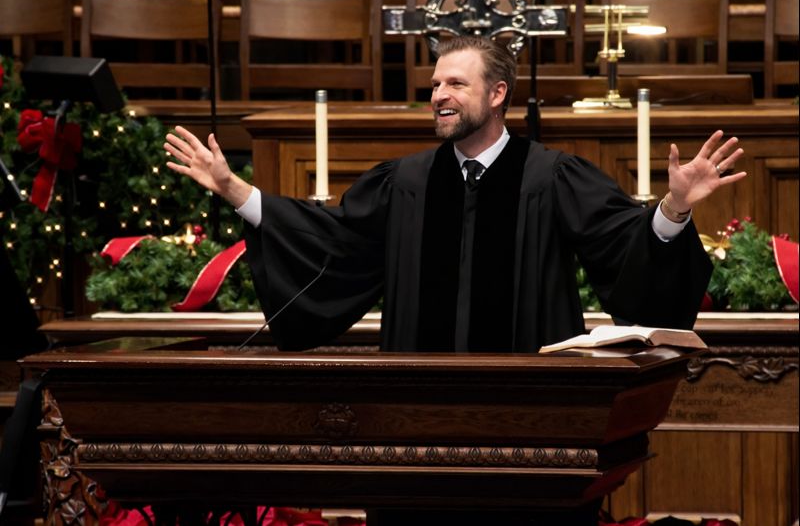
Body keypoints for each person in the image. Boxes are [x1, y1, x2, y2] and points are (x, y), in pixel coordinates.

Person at [164, 36, 746, 354]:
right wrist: (236, 189)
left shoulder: (552, 177)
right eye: (435, 84)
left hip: (533, 418)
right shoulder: (406, 181)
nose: (439, 94)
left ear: (497, 94)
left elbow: (622, 248)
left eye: (454, 84)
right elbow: (335, 240)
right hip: (417, 418)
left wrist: (674, 209)